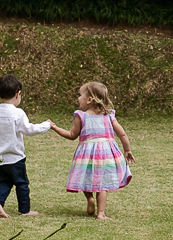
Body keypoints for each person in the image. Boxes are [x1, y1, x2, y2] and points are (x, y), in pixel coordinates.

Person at [50, 81, 134, 220]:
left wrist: (55, 127)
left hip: (87, 155)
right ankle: (101, 213)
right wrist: (127, 150)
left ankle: (89, 198)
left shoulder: (81, 116)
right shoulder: (109, 116)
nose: (78, 98)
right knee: (102, 185)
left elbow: (71, 135)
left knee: (86, 176)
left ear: (89, 100)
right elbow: (122, 134)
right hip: (106, 155)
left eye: (80, 95)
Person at [0, 74, 53, 218]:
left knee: (4, 182)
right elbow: (29, 129)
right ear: (18, 94)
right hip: (14, 158)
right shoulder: (17, 113)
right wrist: (46, 125)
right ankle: (25, 210)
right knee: (22, 183)